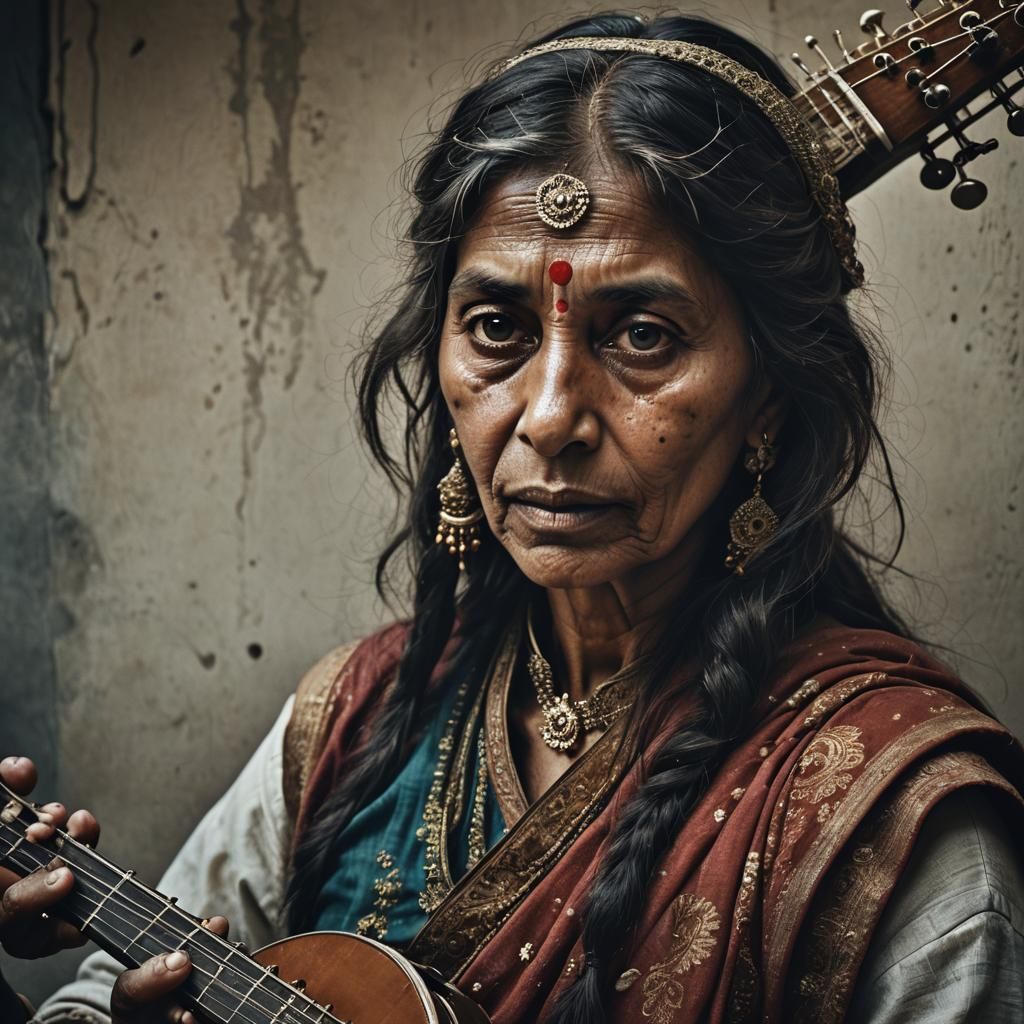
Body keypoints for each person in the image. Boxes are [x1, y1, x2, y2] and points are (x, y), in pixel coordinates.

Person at [2, 11, 1022, 1024]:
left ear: (769, 388)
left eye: (643, 335)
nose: (548, 417)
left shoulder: (889, 825)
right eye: (497, 327)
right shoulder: (357, 722)